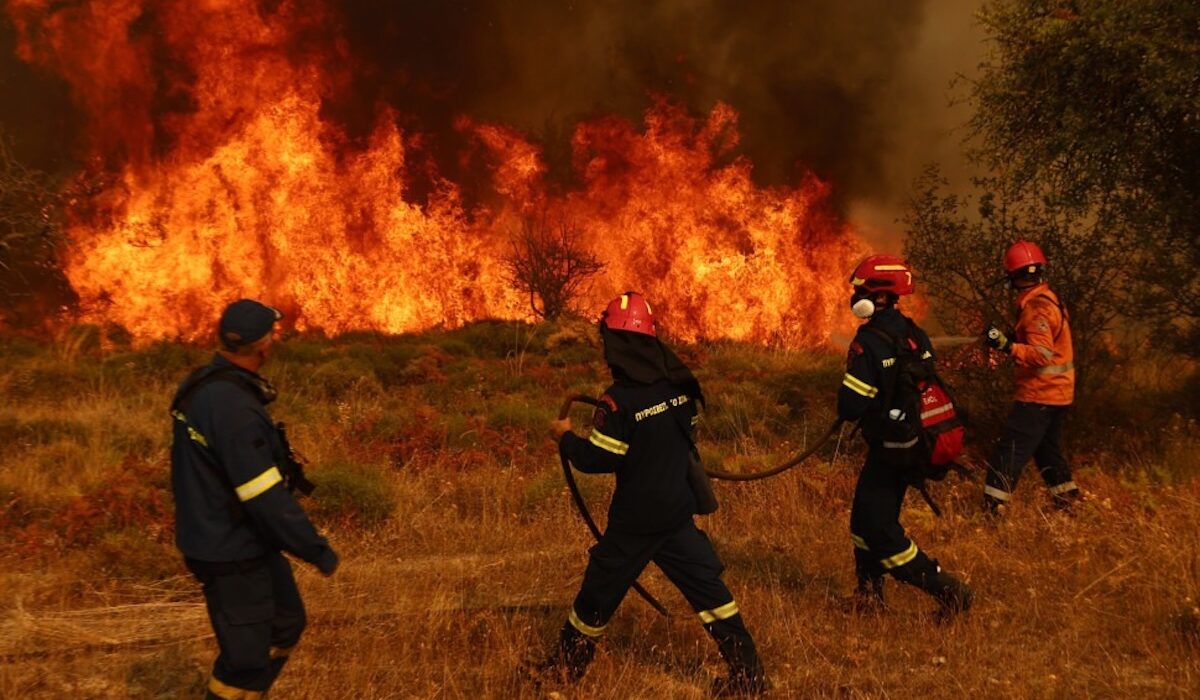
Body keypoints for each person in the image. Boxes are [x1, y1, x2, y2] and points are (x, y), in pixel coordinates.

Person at [541, 292, 766, 695]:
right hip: (676, 513)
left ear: (615, 343)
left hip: (637, 521)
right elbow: (689, 429)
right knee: (710, 592)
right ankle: (750, 676)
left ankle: (563, 670)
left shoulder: (619, 400)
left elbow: (597, 459)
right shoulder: (677, 383)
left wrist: (566, 439)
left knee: (597, 593)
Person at [171, 299, 339, 700]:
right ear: (263, 345)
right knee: (244, 660)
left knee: (286, 621)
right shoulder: (233, 409)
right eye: (272, 336)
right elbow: (263, 496)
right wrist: (315, 549)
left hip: (235, 537)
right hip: (228, 549)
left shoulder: (205, 385)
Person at [839, 255, 973, 616]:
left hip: (891, 448)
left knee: (879, 529)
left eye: (862, 290)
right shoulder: (914, 333)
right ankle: (869, 595)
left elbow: (850, 405)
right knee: (861, 520)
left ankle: (948, 591)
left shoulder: (868, 342)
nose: (857, 296)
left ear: (880, 296)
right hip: (914, 441)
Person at [982, 240, 1080, 513]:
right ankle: (1067, 502)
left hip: (1040, 393)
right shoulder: (1049, 298)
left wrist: (1007, 346)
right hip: (1058, 393)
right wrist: (1012, 338)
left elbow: (1041, 354)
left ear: (1013, 275)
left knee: (1009, 452)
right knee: (1046, 450)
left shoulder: (1036, 308)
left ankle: (993, 509)